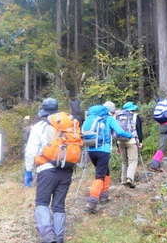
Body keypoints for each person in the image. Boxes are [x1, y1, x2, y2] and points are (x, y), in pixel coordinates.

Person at [24, 98, 72, 243]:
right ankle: (59, 237)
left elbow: (31, 151)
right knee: (59, 205)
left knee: (42, 202)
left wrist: (28, 171)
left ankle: (48, 237)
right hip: (66, 169)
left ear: (43, 111)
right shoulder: (68, 124)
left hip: (46, 170)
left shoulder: (39, 127)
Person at [82, 105, 132, 213]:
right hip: (103, 151)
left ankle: (104, 196)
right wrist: (130, 135)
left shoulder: (91, 118)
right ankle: (91, 203)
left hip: (91, 150)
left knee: (106, 171)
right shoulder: (108, 119)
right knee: (100, 176)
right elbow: (120, 131)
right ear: (110, 111)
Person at [115, 102, 143, 188]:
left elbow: (116, 131)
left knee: (124, 161)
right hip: (131, 141)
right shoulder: (135, 116)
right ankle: (129, 179)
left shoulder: (117, 116)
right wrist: (140, 141)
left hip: (120, 141)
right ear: (132, 109)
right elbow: (139, 130)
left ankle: (123, 180)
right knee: (133, 160)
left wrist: (117, 145)